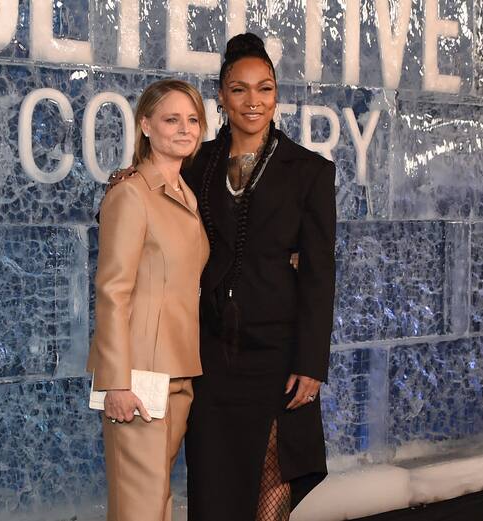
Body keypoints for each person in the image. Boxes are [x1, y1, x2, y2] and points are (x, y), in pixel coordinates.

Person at [183, 33, 336, 521]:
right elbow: (148, 216)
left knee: (274, 485)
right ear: (221, 95)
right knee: (215, 484)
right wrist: (130, 179)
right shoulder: (194, 163)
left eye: (265, 88)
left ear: (277, 94)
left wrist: (312, 363)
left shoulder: (310, 171)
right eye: (240, 89)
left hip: (279, 353)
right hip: (211, 355)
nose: (254, 101)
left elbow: (318, 272)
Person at [86, 79, 209, 521]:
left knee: (156, 502)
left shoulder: (184, 193)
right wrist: (115, 380)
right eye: (171, 119)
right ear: (146, 125)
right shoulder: (131, 194)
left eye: (193, 119)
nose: (184, 129)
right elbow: (112, 290)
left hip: (178, 368)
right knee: (140, 507)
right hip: (137, 377)